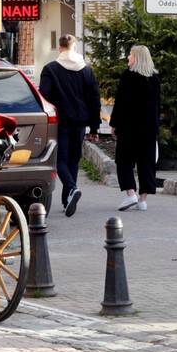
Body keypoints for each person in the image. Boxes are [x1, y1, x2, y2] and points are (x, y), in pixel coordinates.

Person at [38, 34, 100, 217]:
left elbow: (44, 96)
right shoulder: (86, 70)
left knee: (60, 160)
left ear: (60, 48)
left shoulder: (50, 69)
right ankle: (67, 200)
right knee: (74, 159)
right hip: (80, 120)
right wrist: (95, 127)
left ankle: (71, 189)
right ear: (75, 47)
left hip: (61, 121)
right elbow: (94, 99)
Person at [110, 44, 162, 211]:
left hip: (129, 127)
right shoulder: (154, 78)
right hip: (148, 129)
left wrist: (114, 124)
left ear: (137, 58)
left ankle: (130, 194)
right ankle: (142, 200)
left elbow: (121, 103)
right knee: (146, 163)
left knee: (124, 161)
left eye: (130, 55)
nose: (128, 57)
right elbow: (157, 106)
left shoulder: (128, 76)